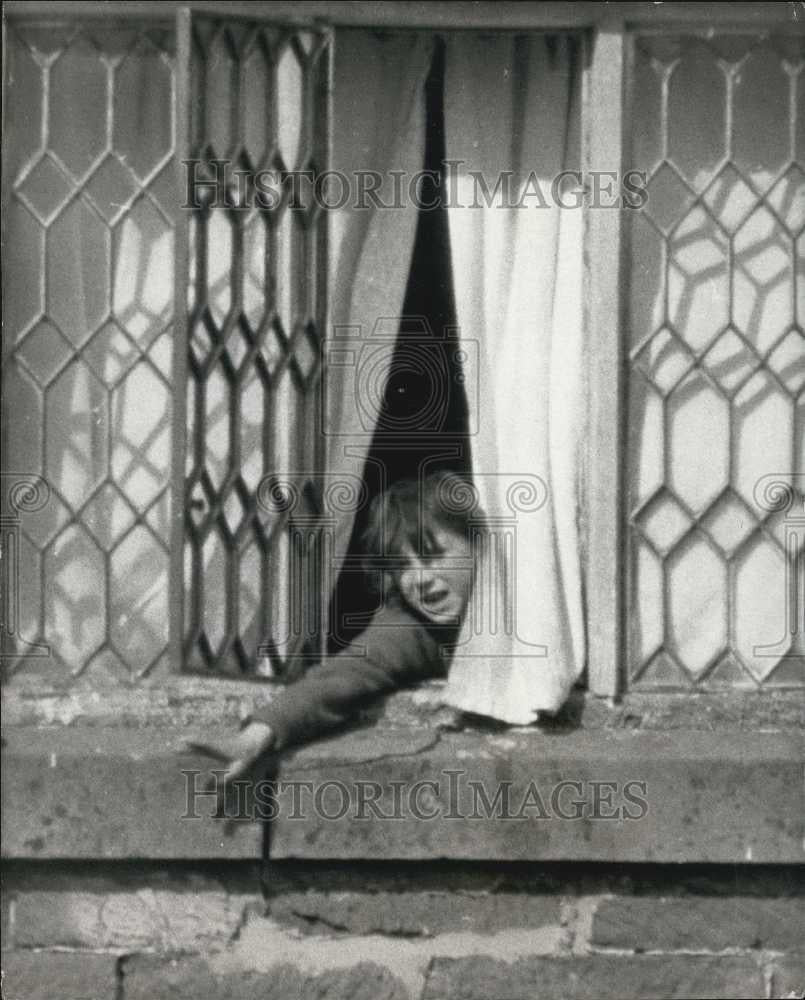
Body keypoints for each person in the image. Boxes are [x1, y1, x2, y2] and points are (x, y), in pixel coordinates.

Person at [188, 470, 481, 787]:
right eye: (401, 566)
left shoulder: (533, 610)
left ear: (479, 546)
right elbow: (345, 674)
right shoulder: (410, 625)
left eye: (432, 555)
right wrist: (258, 733)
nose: (419, 578)